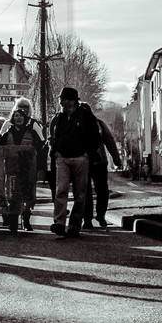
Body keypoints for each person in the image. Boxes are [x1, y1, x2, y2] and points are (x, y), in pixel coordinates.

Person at [47, 86, 104, 238]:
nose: (61, 101)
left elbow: (96, 138)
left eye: (63, 98)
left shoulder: (85, 116)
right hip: (63, 159)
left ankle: (74, 225)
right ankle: (59, 223)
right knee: (61, 190)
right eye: (61, 98)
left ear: (72, 101)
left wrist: (88, 153)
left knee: (80, 194)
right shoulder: (58, 117)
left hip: (81, 158)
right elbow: (53, 136)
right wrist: (56, 153)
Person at [0, 99, 47, 232]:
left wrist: (41, 168)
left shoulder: (34, 126)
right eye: (19, 108)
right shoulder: (7, 127)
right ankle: (12, 222)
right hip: (11, 168)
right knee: (12, 195)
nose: (22, 111)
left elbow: (42, 147)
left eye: (25, 107)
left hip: (28, 169)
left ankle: (26, 219)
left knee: (29, 196)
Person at [87, 111, 123, 228]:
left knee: (91, 190)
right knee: (99, 190)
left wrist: (117, 159)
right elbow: (110, 141)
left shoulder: (98, 124)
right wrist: (116, 159)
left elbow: (110, 141)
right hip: (95, 161)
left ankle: (92, 217)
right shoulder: (100, 124)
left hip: (91, 161)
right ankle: (97, 216)